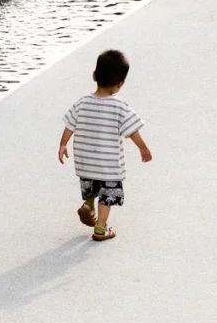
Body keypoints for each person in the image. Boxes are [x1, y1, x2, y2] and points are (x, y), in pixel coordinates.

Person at [57, 49, 151, 241]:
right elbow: (132, 131)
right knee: (107, 196)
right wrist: (143, 147)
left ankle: (87, 206)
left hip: (85, 162)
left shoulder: (82, 103)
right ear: (120, 84)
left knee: (91, 187)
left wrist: (63, 145)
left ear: (94, 76)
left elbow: (69, 125)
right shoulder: (120, 107)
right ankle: (100, 228)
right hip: (108, 165)